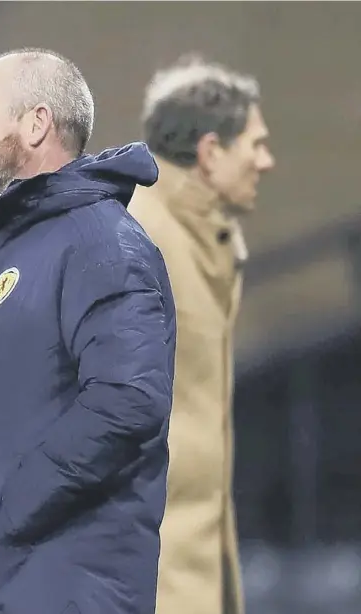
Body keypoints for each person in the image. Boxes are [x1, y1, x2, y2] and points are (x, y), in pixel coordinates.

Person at [0, 48, 176, 614]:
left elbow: (129, 400)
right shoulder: (11, 250)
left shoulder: (101, 244)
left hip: (50, 587)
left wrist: (15, 507)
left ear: (36, 123)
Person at [128, 55, 275, 614]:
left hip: (192, 576)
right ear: (212, 152)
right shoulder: (134, 241)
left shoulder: (205, 240)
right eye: (254, 145)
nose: (266, 161)